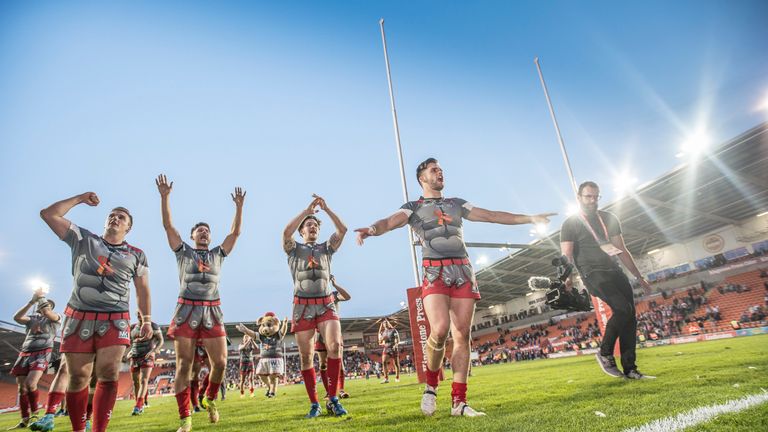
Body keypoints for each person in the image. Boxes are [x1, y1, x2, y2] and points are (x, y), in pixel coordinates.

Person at [355, 157, 554, 417]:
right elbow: (390, 222)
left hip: (462, 270)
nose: (439, 172)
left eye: (440, 169)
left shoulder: (458, 204)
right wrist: (371, 230)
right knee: (439, 330)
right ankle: (431, 386)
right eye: (433, 170)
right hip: (434, 271)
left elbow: (492, 216)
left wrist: (530, 218)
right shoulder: (412, 207)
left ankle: (459, 402)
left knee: (462, 333)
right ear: (421, 178)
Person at [40, 193, 152, 432]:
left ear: (128, 228)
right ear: (105, 221)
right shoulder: (83, 238)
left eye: (121, 217)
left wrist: (147, 320)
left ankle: (99, 429)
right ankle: (78, 429)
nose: (115, 218)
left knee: (109, 373)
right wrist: (80, 199)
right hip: (79, 316)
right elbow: (48, 214)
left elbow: (142, 289)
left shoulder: (136, 254)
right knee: (78, 377)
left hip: (116, 318)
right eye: (112, 215)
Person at [156, 174, 245, 432]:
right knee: (184, 365)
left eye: (207, 230)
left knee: (221, 363)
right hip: (186, 310)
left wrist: (239, 207)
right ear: (192, 235)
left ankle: (209, 397)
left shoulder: (218, 254)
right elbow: (168, 227)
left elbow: (235, 233)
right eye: (199, 230)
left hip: (212, 311)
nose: (204, 233)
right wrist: (165, 198)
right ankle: (185, 418)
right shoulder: (183, 251)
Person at [560, 181, 654, 380]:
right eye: (588, 196)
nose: (593, 200)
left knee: (630, 317)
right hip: (592, 273)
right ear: (579, 198)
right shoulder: (570, 223)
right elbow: (566, 255)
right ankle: (604, 353)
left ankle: (630, 369)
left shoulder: (609, 218)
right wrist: (567, 279)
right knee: (622, 309)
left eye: (596, 196)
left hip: (614, 270)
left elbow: (622, 250)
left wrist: (639, 277)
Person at [283, 194, 348, 417]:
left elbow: (342, 230)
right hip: (302, 306)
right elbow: (285, 233)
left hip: (326, 303)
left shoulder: (326, 248)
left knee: (335, 346)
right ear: (302, 231)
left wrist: (326, 209)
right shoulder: (293, 249)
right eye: (308, 225)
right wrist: (307, 211)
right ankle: (314, 403)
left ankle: (332, 398)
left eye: (314, 225)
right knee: (305, 357)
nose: (312, 227)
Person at [9, 290, 61, 430]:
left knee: (31, 384)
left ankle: (35, 414)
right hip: (25, 353)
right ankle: (24, 419)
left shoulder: (55, 317)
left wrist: (41, 297)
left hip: (42, 353)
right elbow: (17, 317)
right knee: (22, 388)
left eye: (48, 305)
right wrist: (31, 301)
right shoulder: (32, 318)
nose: (46, 307)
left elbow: (49, 313)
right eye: (44, 305)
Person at [314, 276, 351, 398]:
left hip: (334, 331)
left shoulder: (333, 295)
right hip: (319, 333)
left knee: (339, 362)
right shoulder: (312, 299)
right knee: (323, 364)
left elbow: (347, 297)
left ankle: (341, 390)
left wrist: (335, 284)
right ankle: (329, 392)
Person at [128, 310, 164, 415]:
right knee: (136, 382)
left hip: (147, 356)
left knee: (144, 380)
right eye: (138, 314)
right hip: (134, 357)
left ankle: (137, 407)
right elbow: (133, 342)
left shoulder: (153, 326)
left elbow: (161, 340)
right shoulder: (133, 327)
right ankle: (140, 404)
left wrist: (153, 351)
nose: (140, 316)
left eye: (142, 314)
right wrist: (130, 351)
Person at [378, 319, 401, 384]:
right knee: (383, 362)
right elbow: (380, 341)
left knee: (396, 363)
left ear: (388, 323)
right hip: (386, 348)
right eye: (383, 324)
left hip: (393, 348)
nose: (385, 324)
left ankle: (397, 377)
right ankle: (386, 378)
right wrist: (382, 339)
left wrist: (395, 345)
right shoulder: (383, 332)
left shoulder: (394, 330)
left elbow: (398, 340)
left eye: (386, 323)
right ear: (383, 325)